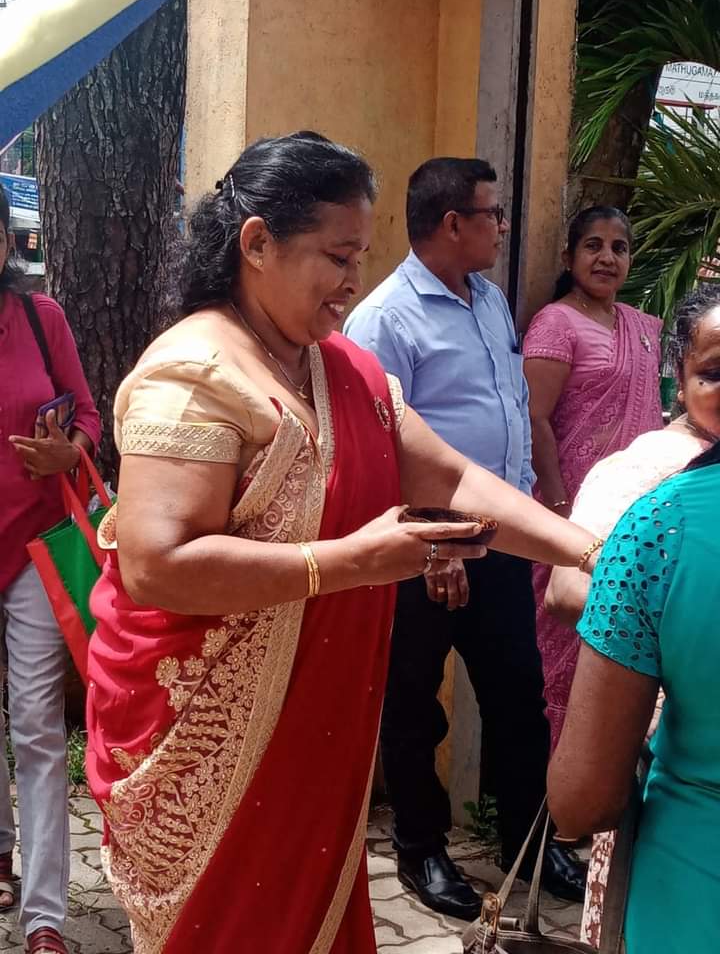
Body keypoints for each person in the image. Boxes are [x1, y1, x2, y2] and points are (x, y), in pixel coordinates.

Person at [84, 134, 598, 954]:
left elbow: (451, 478)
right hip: (205, 740)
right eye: (336, 256)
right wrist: (348, 563)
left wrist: (587, 551)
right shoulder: (193, 376)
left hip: (310, 735)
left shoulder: (343, 368)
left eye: (362, 254)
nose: (355, 280)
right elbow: (155, 565)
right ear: (257, 244)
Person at [344, 156, 587, 922]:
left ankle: (529, 841)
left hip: (500, 547)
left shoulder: (486, 300)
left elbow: (504, 414)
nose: (503, 228)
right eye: (494, 214)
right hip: (420, 556)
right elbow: (382, 452)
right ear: (453, 223)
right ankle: (420, 850)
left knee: (520, 698)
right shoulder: (384, 319)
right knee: (415, 705)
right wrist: (437, 548)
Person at [543, 282, 720, 947]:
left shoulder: (671, 518)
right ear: (677, 376)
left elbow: (581, 797)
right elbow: (565, 589)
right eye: (714, 373)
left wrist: (653, 628)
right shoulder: (640, 475)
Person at [0, 184, 101, 954]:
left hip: (38, 544)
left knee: (37, 726)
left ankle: (43, 916)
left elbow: (89, 418)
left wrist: (72, 451)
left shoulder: (43, 319)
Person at [523, 206, 663, 748]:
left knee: (627, 649)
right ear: (569, 257)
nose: (607, 257)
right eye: (593, 246)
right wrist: (560, 512)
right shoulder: (556, 323)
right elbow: (534, 417)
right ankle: (563, 806)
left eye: (619, 247)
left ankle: (611, 803)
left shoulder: (643, 327)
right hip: (572, 514)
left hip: (637, 514)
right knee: (566, 650)